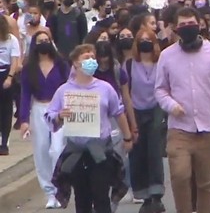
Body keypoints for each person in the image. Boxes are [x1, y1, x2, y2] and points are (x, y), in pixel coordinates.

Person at [155, 7, 210, 213]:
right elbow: (160, 90)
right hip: (180, 129)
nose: (187, 28)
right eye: (182, 25)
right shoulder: (166, 56)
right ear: (175, 28)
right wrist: (171, 105)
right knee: (180, 175)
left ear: (200, 24)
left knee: (205, 183)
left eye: (191, 23)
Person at [47, 43, 132, 213]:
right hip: (77, 152)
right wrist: (59, 116)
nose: (91, 60)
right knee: (82, 198)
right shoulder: (64, 91)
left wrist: (128, 137)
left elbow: (119, 112)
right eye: (86, 58)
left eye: (93, 57)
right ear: (75, 63)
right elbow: (50, 115)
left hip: (101, 151)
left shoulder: (105, 88)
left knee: (101, 196)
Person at [18, 31, 68, 209]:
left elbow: (69, 86)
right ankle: (50, 193)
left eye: (47, 40)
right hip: (38, 109)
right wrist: (23, 120)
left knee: (57, 149)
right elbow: (25, 95)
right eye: (41, 41)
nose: (44, 43)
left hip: (58, 110)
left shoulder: (61, 65)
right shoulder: (29, 68)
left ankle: (60, 187)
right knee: (41, 151)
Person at [127, 28, 166, 213]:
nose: (144, 42)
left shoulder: (161, 63)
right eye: (141, 39)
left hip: (156, 109)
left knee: (154, 152)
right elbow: (125, 91)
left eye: (148, 39)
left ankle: (157, 194)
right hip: (135, 111)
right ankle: (144, 195)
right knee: (137, 154)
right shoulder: (128, 64)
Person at [0, 15, 20, 154]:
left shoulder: (11, 40)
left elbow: (14, 60)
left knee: (6, 109)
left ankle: (4, 142)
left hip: (6, 73)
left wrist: (10, 77)